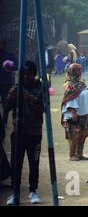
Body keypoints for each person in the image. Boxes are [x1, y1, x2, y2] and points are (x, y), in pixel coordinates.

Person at [4, 61, 44, 205]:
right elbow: (7, 107)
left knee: (34, 163)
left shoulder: (40, 87)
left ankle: (33, 191)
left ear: (34, 74)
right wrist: (11, 95)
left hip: (34, 133)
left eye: (29, 74)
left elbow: (40, 107)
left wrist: (24, 94)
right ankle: (15, 193)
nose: (26, 76)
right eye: (24, 74)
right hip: (18, 132)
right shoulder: (16, 88)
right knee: (16, 164)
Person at [61, 63, 88, 161]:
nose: (80, 72)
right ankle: (72, 154)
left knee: (83, 134)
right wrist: (73, 112)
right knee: (73, 135)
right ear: (73, 72)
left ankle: (79, 154)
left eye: (80, 70)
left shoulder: (81, 83)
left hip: (84, 113)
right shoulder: (69, 84)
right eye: (78, 70)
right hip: (74, 114)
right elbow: (69, 99)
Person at [0, 40, 17, 119]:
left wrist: (10, 68)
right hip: (5, 82)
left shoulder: (9, 55)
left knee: (6, 102)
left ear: (4, 45)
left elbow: (16, 65)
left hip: (5, 82)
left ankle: (5, 120)